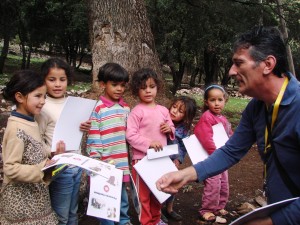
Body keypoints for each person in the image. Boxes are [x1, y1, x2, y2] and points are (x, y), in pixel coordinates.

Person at [156, 26, 300, 225]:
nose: (231, 71)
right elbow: (231, 151)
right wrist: (186, 174)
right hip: (280, 204)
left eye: (238, 63)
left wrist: (270, 221)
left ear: (268, 64)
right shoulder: (256, 108)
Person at [0, 70, 65, 225]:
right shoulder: (16, 128)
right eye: (38, 96)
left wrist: (53, 154)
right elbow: (10, 168)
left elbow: (35, 148)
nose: (43, 101)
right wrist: (42, 168)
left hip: (37, 196)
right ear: (20, 97)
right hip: (21, 200)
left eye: (44, 96)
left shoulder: (31, 121)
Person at [35, 58, 86, 225]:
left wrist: (84, 126)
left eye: (62, 80)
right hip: (59, 167)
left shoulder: (73, 103)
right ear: (43, 80)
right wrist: (51, 152)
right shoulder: (42, 106)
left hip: (76, 164)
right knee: (61, 215)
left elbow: (75, 130)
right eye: (52, 79)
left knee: (73, 211)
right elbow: (37, 138)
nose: (57, 84)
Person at [126, 68, 175, 225]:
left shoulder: (163, 110)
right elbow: (131, 136)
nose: (148, 91)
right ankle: (146, 222)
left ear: (157, 88)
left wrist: (169, 130)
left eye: (151, 86)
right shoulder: (136, 112)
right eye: (143, 87)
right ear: (136, 91)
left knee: (158, 190)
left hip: (160, 159)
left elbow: (171, 128)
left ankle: (156, 219)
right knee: (143, 195)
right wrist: (149, 144)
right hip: (142, 161)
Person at [86, 62, 133, 225]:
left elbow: (130, 134)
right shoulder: (98, 109)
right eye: (114, 85)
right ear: (102, 84)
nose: (119, 89)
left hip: (121, 161)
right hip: (104, 161)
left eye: (122, 85)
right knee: (104, 196)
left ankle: (124, 220)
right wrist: (96, 158)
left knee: (121, 194)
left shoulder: (126, 108)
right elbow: (94, 135)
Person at [194, 85, 233, 223]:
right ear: (206, 102)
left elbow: (229, 135)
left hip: (222, 157)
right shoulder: (207, 117)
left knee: (224, 182)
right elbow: (205, 137)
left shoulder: (223, 118)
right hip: (212, 158)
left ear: (225, 100)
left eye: (220, 99)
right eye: (212, 100)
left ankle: (219, 206)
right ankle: (207, 210)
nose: (217, 103)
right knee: (213, 183)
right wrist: (216, 155)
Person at [161, 96, 197, 223]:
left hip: (173, 161)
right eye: (174, 107)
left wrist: (179, 160)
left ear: (186, 116)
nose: (174, 111)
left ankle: (169, 209)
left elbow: (183, 146)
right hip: (159, 158)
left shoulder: (184, 129)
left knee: (172, 185)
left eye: (180, 111)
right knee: (160, 184)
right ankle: (158, 210)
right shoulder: (162, 119)